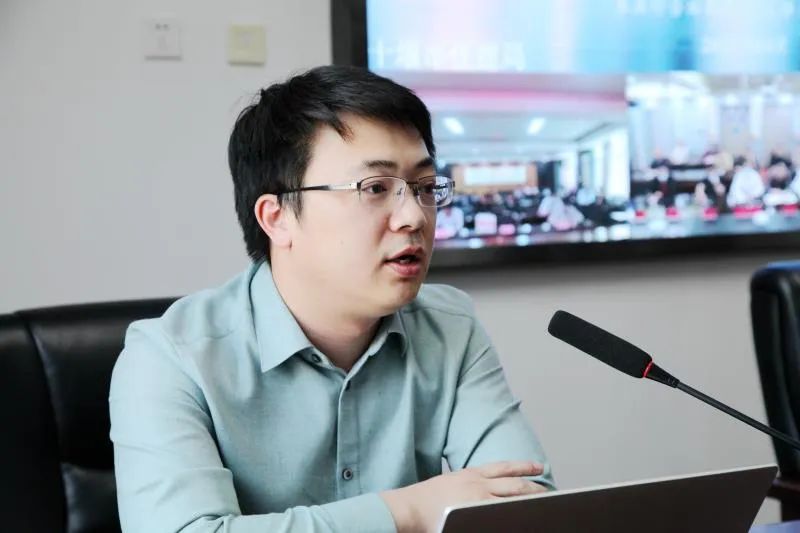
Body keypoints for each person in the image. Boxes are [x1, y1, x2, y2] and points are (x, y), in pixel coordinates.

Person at [109, 65, 554, 533]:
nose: (414, 217)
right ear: (277, 218)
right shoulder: (170, 358)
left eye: (424, 188)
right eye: (375, 188)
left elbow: (528, 506)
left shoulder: (450, 326)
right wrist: (408, 511)